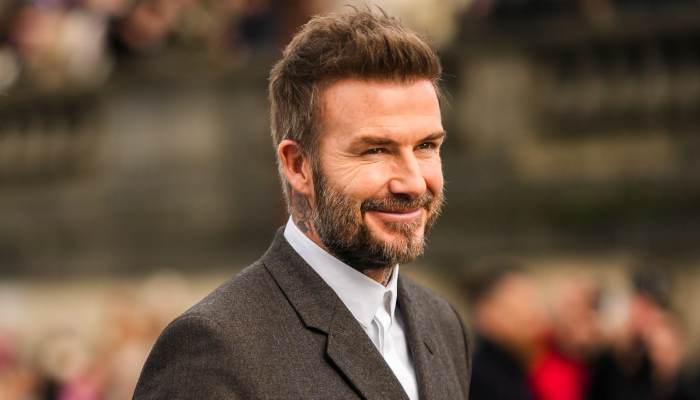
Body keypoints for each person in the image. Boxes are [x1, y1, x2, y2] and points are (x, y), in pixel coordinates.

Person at [133, 7, 471, 400]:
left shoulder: (442, 323)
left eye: (426, 146)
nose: (412, 183)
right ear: (298, 165)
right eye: (375, 150)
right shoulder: (214, 349)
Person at [465, 261, 547, 400]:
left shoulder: (521, 372)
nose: (537, 312)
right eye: (524, 300)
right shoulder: (478, 380)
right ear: (486, 312)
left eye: (534, 301)